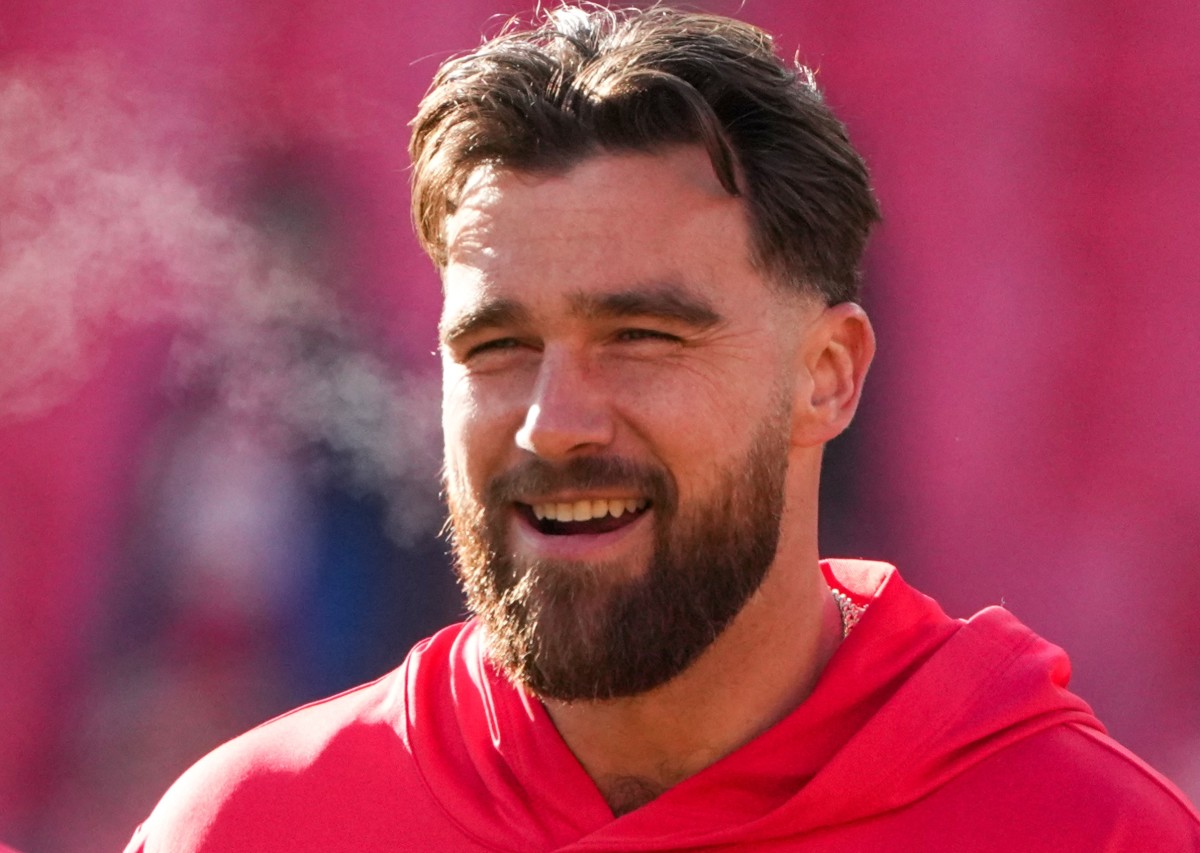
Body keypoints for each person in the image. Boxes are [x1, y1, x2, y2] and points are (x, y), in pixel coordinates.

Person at [126, 5, 1200, 850]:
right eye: (497, 347)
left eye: (640, 335)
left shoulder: (1080, 832)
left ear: (827, 377)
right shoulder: (249, 830)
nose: (555, 423)